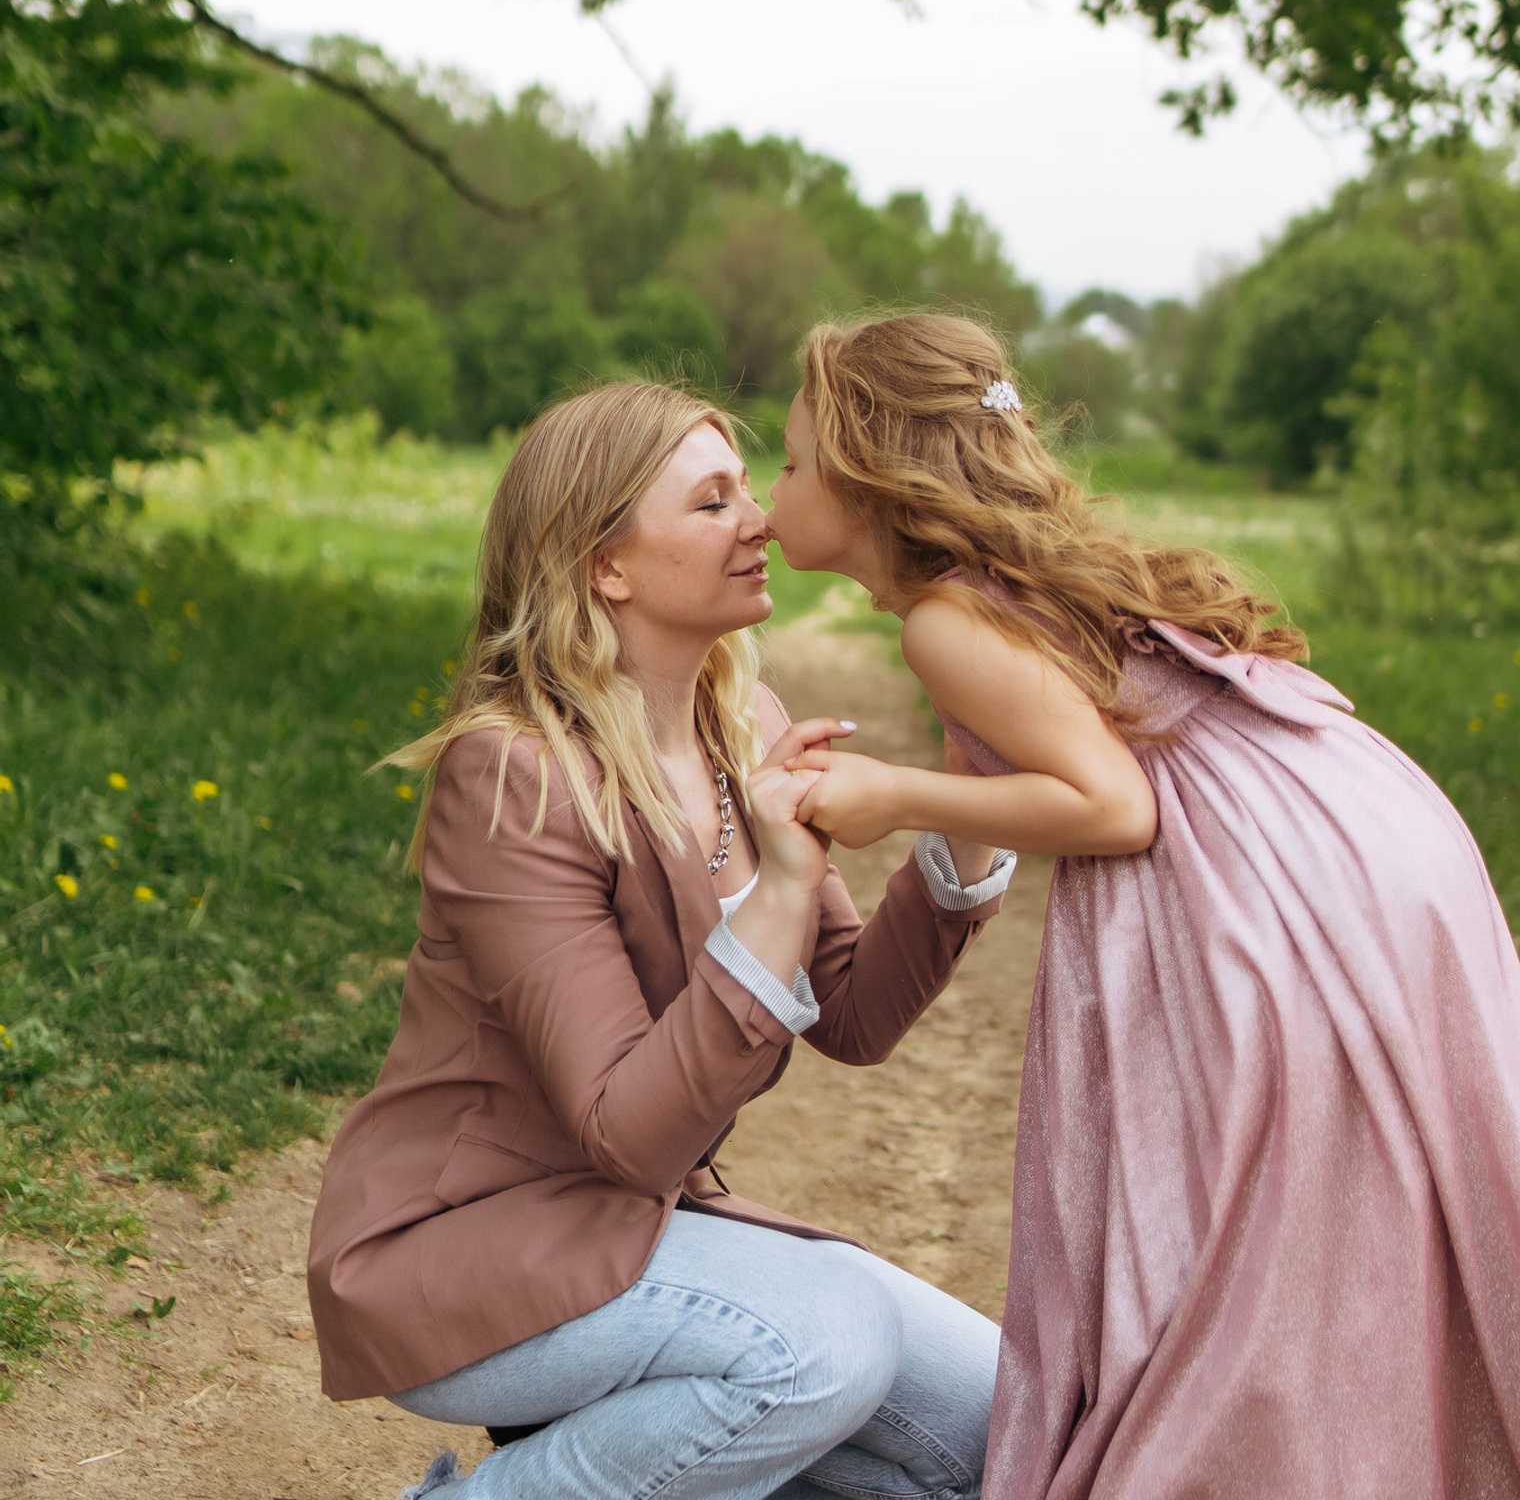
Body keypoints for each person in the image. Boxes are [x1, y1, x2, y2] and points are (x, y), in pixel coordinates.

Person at [765, 314, 1520, 1500]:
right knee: (1359, 1197)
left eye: (787, 461)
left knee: (1240, 1234)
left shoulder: (947, 618)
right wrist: (937, 828)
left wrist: (883, 795)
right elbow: (1005, 774)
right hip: (1352, 830)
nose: (771, 492)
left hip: (1271, 884)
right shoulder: (986, 593)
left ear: (870, 473)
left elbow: (1113, 806)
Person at [306, 380, 1014, 1500]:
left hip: (643, 1230)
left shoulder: (750, 726)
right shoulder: (517, 774)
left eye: (750, 487)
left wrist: (969, 797)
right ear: (607, 567)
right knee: (826, 1344)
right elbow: (628, 1135)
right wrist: (783, 887)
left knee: (1010, 1430)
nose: (761, 520)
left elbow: (855, 1013)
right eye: (712, 501)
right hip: (466, 1247)